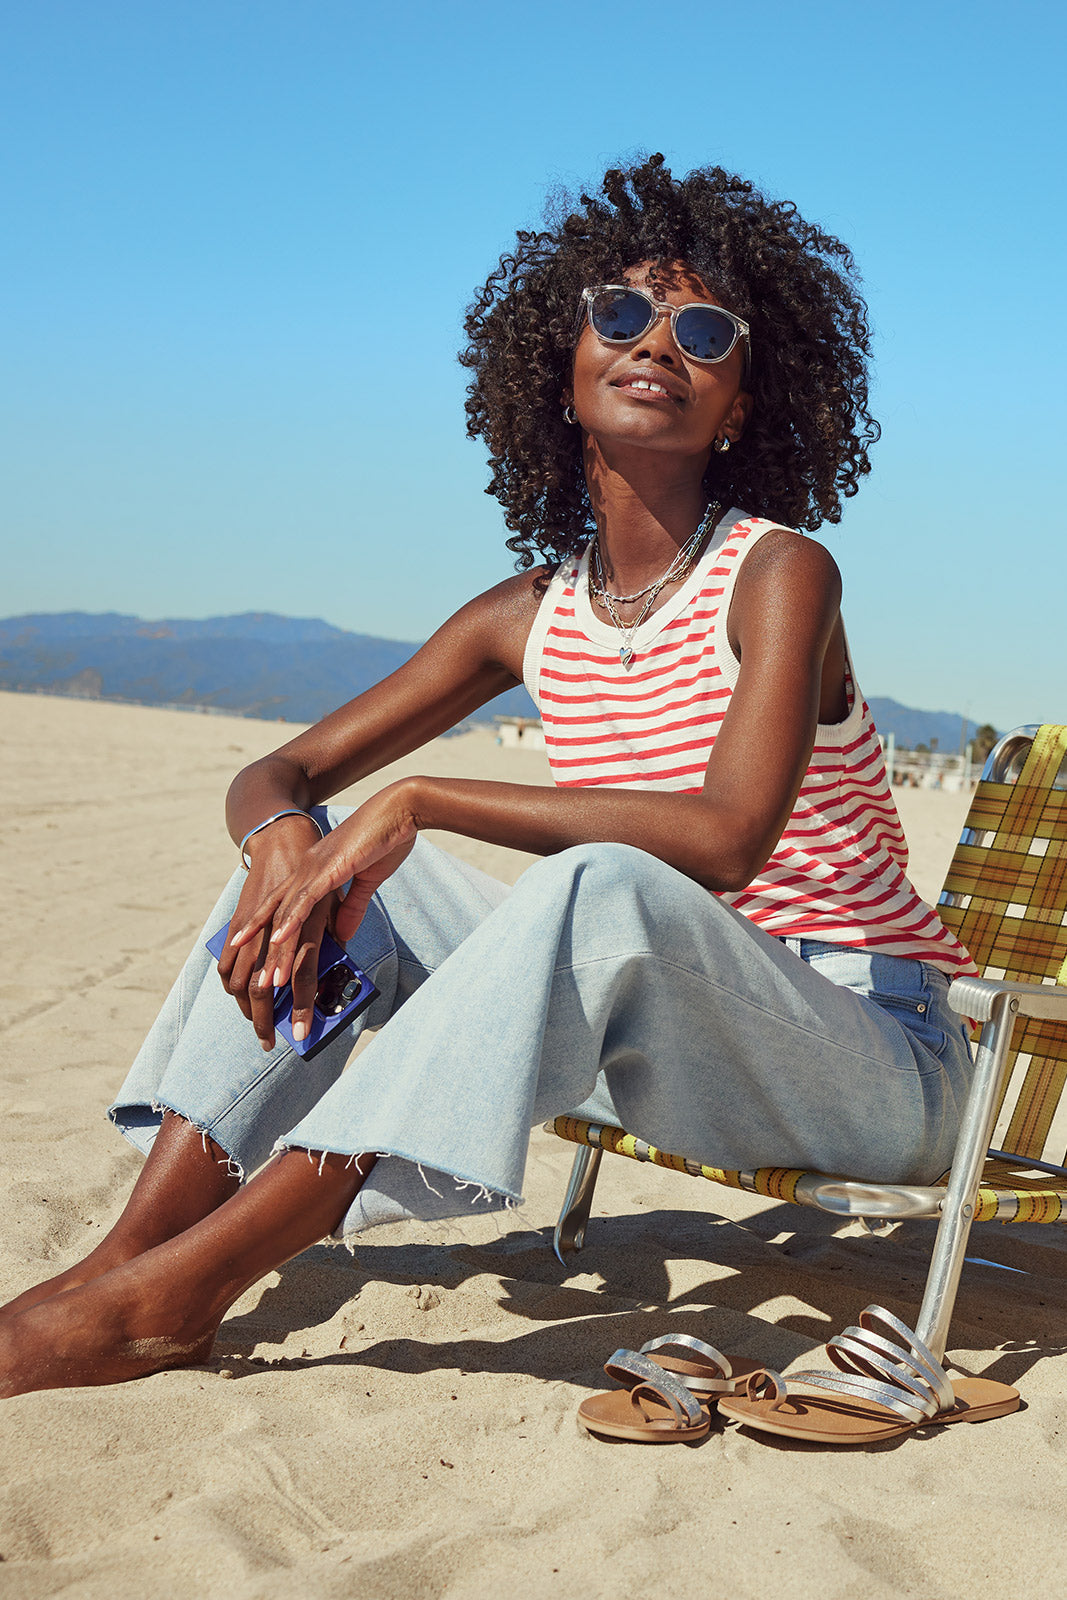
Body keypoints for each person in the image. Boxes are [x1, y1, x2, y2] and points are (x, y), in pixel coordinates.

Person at [0, 155, 976, 1399]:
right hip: (673, 1045)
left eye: (703, 332)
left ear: (738, 404)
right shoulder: (527, 614)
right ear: (559, 369)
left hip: (870, 1058)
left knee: (593, 881)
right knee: (339, 867)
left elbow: (727, 839)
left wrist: (424, 800)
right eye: (618, 314)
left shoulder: (781, 574)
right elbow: (279, 767)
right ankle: (127, 1259)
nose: (655, 345)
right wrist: (288, 841)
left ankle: (181, 1292)